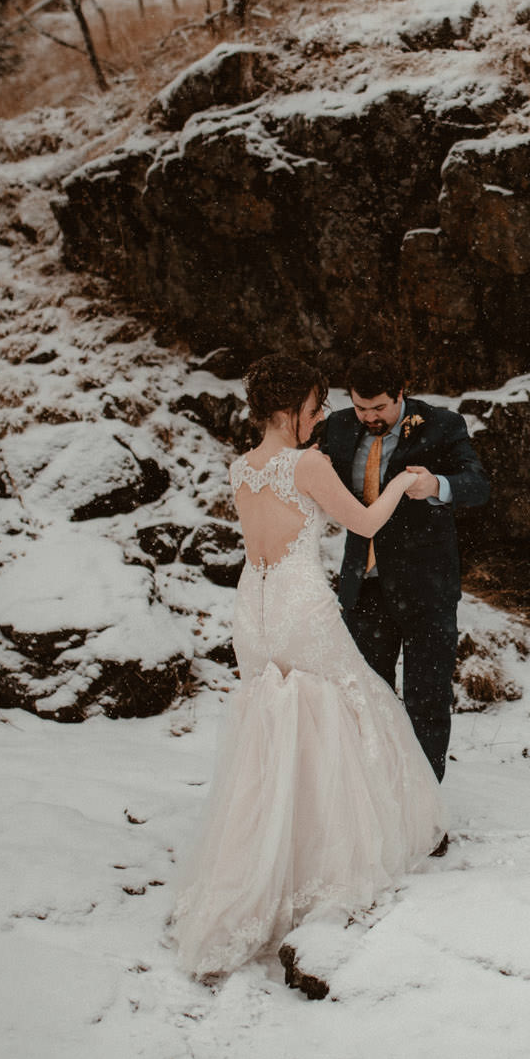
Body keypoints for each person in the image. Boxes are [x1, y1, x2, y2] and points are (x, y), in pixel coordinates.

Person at [167, 353, 445, 981]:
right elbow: (366, 522)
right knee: (350, 702)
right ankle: (323, 859)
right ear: (290, 410)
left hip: (253, 606)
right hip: (297, 602)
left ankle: (260, 862)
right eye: (316, 407)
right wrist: (405, 483)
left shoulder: (240, 467)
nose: (321, 418)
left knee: (277, 720)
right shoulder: (308, 464)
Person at [317, 352, 490, 783]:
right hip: (364, 587)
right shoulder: (337, 426)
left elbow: (478, 486)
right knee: (363, 699)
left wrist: (437, 485)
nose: (369, 417)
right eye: (360, 407)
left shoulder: (442, 424)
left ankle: (424, 810)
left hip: (426, 590)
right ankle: (372, 802)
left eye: (379, 408)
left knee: (426, 702)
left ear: (400, 394)